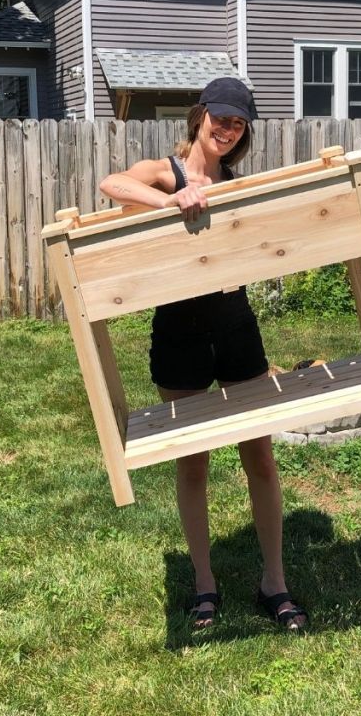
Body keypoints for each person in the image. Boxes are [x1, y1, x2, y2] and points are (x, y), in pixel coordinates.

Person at [98, 77, 307, 632]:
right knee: (193, 463)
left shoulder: (237, 184)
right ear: (200, 115)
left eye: (238, 123)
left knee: (259, 456)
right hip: (179, 332)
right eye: (221, 117)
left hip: (237, 327)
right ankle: (205, 584)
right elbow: (111, 182)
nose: (227, 129)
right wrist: (173, 198)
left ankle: (274, 582)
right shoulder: (166, 170)